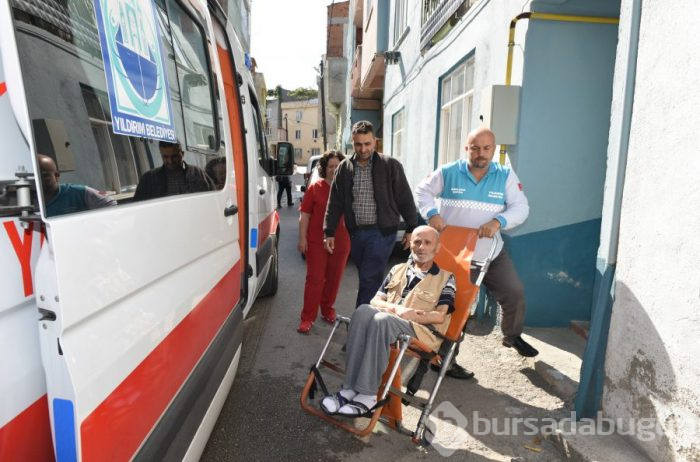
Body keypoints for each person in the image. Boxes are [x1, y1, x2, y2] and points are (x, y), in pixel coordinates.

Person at [415, 127, 538, 381]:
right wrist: (432, 214)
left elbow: (521, 207)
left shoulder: (504, 174)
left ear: (494, 150)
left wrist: (499, 221)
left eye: (486, 148)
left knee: (514, 292)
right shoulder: (448, 172)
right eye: (475, 148)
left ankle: (512, 335)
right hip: (456, 254)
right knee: (457, 307)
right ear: (466, 149)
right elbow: (422, 191)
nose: (480, 154)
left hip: (491, 252)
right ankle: (446, 360)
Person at [320, 226, 456, 417]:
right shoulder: (398, 269)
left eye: (427, 243)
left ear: (437, 248)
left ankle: (367, 395)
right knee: (362, 311)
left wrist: (412, 315)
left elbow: (440, 315)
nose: (421, 247)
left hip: (423, 332)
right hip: (391, 321)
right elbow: (375, 300)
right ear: (409, 244)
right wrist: (397, 309)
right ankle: (349, 388)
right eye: (417, 241)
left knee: (381, 320)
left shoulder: (446, 278)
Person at [324, 120, 418, 308]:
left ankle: (363, 320)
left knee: (369, 278)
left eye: (367, 144)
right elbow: (334, 202)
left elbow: (405, 198)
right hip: (356, 233)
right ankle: (376, 314)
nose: (363, 148)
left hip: (382, 232)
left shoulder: (390, 165)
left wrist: (411, 228)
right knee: (368, 277)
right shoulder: (344, 168)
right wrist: (329, 232)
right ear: (353, 142)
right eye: (358, 144)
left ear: (374, 141)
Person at [297, 150, 349, 334]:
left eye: (338, 166)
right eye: (331, 166)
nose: (334, 170)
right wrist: (302, 238)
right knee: (315, 279)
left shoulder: (348, 188)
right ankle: (307, 318)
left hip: (341, 242)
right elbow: (305, 214)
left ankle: (327, 310)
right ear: (324, 168)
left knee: (334, 280)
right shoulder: (315, 188)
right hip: (317, 241)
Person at [37, 154, 116, 217]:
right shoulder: (27, 199)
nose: (38, 180)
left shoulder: (79, 193)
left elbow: (111, 206)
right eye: (34, 176)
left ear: (56, 175)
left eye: (43, 175)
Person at [133, 140, 214, 201]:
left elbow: (213, 198)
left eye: (174, 156)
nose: (170, 161)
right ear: (161, 155)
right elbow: (138, 205)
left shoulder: (197, 173)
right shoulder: (149, 179)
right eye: (165, 157)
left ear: (182, 154)